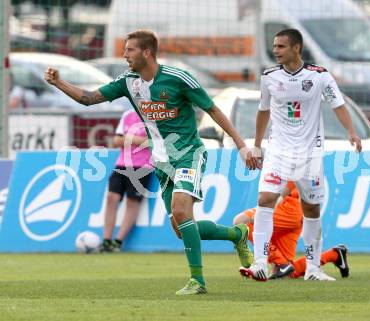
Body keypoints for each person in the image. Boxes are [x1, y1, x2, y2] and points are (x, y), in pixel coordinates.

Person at [44, 29, 258, 295]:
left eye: (129, 50)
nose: (124, 55)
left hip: (188, 154)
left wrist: (242, 146)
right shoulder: (128, 81)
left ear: (147, 52)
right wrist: (59, 83)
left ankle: (197, 281)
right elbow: (89, 99)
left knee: (181, 211)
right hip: (161, 161)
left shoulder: (177, 78)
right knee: (182, 228)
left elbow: (212, 109)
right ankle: (236, 235)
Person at [239, 28, 362, 281]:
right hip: (278, 152)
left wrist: (351, 132)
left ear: (297, 48)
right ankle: (260, 263)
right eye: (275, 46)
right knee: (265, 199)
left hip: (310, 155)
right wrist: (258, 145)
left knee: (312, 209)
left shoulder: (319, 76)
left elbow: (338, 104)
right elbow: (263, 111)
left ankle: (313, 268)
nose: (276, 51)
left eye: (281, 46)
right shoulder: (269, 77)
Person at [234, 181, 349, 280]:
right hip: (298, 210)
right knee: (289, 272)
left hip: (288, 206)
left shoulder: (288, 158)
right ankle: (334, 254)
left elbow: (294, 172)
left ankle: (279, 262)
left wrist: (276, 202)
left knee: (241, 221)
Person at [100, 109, 155, 253]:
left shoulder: (155, 114)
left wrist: (129, 138)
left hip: (143, 166)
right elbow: (116, 140)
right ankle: (106, 240)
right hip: (121, 164)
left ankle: (118, 241)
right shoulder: (128, 115)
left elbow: (154, 142)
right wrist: (137, 140)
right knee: (112, 198)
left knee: (132, 202)